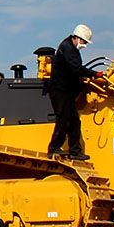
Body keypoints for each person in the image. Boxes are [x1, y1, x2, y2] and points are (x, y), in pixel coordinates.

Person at [47, 23, 98, 159]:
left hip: (66, 90)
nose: (85, 45)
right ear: (78, 38)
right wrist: (94, 74)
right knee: (63, 119)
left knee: (74, 120)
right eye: (84, 41)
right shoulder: (67, 48)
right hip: (59, 90)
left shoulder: (71, 48)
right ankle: (54, 148)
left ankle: (75, 151)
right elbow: (76, 69)